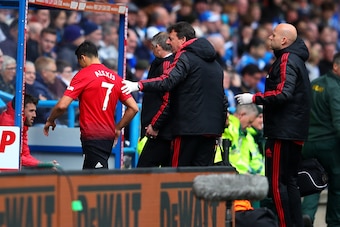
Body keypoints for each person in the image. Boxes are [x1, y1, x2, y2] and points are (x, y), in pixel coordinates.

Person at [235, 23, 311, 227]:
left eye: (274, 34)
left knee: (278, 184)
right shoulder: (295, 59)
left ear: (284, 40)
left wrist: (253, 98)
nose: (269, 37)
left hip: (283, 131)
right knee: (290, 183)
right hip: (294, 130)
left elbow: (283, 93)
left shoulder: (286, 59)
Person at [122, 21, 227, 167]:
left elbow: (168, 82)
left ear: (183, 40)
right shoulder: (216, 65)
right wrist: (221, 125)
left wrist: (138, 85)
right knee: (200, 177)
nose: (168, 42)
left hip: (187, 129)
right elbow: (222, 97)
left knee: (178, 175)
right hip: (212, 130)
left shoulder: (184, 56)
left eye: (171, 38)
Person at [43, 41, 139, 170]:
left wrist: (51, 119)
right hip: (107, 134)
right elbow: (133, 108)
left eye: (80, 63)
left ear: (83, 57)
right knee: (88, 174)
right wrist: (117, 128)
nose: (81, 66)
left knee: (96, 178)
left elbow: (62, 105)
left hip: (93, 134)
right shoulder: (115, 77)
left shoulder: (84, 74)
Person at [301, 52, 340, 227]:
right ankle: (334, 222)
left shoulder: (315, 83)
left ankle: (307, 214)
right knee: (337, 187)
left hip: (307, 143)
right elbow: (339, 121)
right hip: (329, 144)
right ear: (336, 66)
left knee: (313, 181)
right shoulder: (335, 89)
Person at [137, 32, 174, 168]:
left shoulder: (166, 66)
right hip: (163, 127)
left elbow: (166, 98)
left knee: (144, 168)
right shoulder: (163, 63)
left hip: (160, 130)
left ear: (158, 47)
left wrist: (155, 124)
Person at [0, 94, 57, 168]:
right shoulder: (7, 124)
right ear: (21, 111)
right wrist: (41, 165)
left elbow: (25, 154)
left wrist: (41, 164)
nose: (34, 115)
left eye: (34, 111)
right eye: (31, 111)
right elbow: (12, 157)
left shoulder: (21, 124)